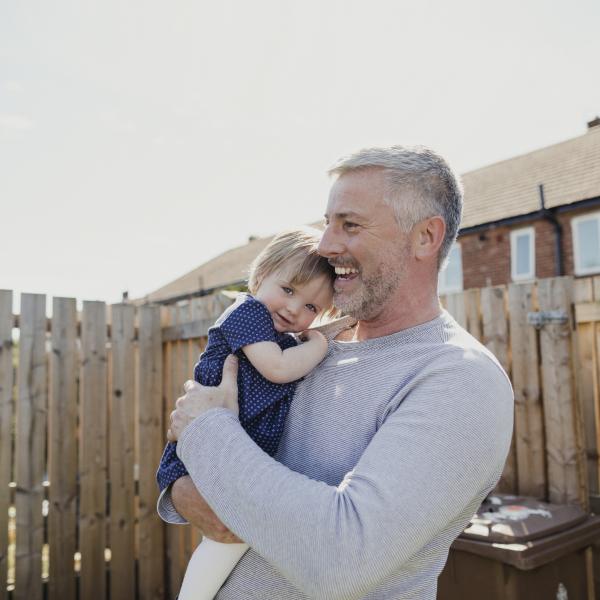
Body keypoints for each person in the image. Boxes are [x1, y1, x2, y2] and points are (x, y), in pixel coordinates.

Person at [159, 145, 514, 600]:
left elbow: (342, 561)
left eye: (349, 225)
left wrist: (205, 430)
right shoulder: (307, 347)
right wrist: (183, 487)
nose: (325, 245)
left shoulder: (459, 379)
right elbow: (193, 479)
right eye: (327, 223)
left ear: (425, 236)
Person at [157, 227, 337, 599]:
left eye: (311, 307)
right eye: (287, 290)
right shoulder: (247, 312)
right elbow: (278, 368)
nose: (293, 309)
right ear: (259, 276)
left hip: (230, 454)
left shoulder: (277, 332)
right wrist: (319, 341)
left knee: (233, 543)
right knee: (229, 541)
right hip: (202, 452)